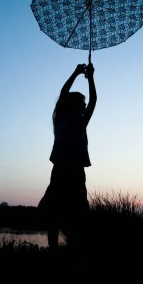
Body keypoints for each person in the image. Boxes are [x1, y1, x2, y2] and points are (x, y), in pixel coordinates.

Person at [38, 62, 97, 249]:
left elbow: (94, 100)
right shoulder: (61, 118)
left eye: (84, 104)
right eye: (81, 103)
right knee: (54, 213)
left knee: (78, 214)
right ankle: (53, 248)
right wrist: (76, 73)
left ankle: (74, 247)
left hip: (77, 172)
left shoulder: (82, 122)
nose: (84, 105)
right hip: (61, 170)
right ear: (72, 105)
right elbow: (63, 95)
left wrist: (92, 78)